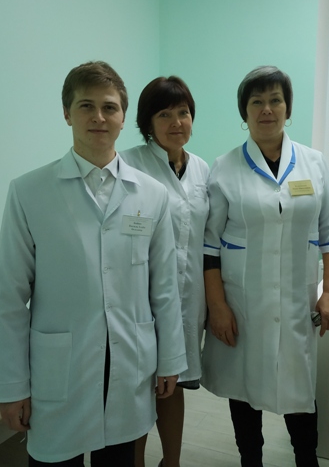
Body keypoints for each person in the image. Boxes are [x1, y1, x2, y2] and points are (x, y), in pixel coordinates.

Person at [0, 61, 187, 466]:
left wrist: (169, 360)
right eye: (86, 106)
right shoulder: (29, 192)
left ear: (123, 117)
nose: (99, 117)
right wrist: (11, 385)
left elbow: (164, 288)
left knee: (121, 457)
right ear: (67, 113)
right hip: (62, 364)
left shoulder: (152, 195)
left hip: (129, 360)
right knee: (56, 458)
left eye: (110, 107)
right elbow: (10, 297)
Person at [202, 65, 329, 467]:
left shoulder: (314, 164)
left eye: (275, 100)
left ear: (288, 108)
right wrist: (217, 306)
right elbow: (209, 246)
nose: (267, 109)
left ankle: (306, 460)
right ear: (244, 112)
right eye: (257, 102)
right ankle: (250, 460)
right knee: (243, 389)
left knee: (299, 391)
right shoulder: (225, 167)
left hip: (297, 303)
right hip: (242, 303)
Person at [120, 76, 209, 467]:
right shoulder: (128, 164)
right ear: (147, 123)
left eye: (183, 113)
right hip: (139, 300)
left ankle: (171, 461)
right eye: (165, 114)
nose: (177, 122)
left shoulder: (202, 169)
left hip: (188, 300)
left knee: (174, 383)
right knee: (139, 389)